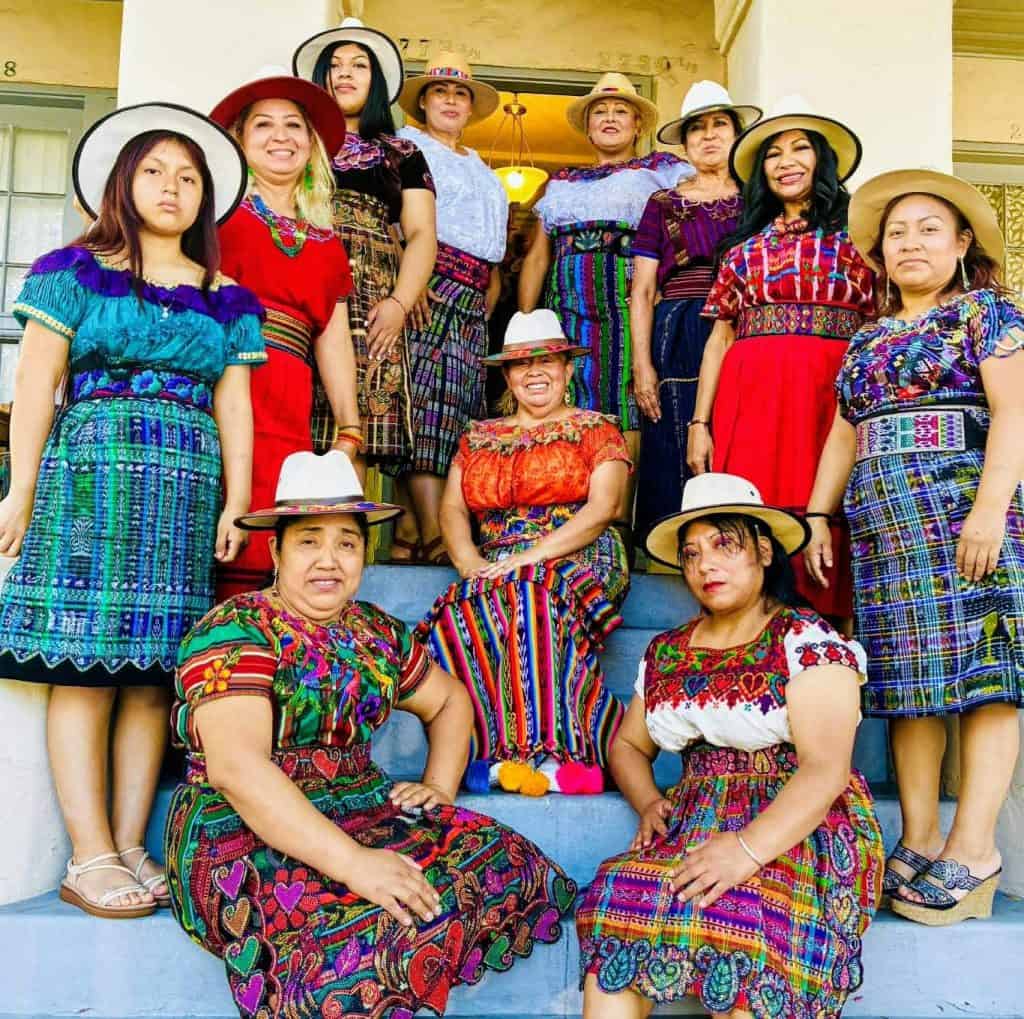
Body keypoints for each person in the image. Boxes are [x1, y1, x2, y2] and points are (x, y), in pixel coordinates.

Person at [165, 450, 576, 1018]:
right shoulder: (236, 630)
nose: (328, 560)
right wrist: (358, 865)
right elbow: (238, 770)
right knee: (371, 935)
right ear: (275, 550)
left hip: (363, 806)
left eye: (347, 543)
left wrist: (438, 785)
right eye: (309, 540)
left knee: (504, 859)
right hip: (242, 827)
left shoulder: (374, 631)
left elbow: (451, 701)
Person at [0, 104, 264, 918]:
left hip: (182, 495)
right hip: (90, 482)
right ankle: (88, 853)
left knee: (154, 676)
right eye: (155, 171)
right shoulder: (69, 272)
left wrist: (241, 496)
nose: (172, 187)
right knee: (83, 667)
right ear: (123, 181)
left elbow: (236, 405)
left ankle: (130, 841)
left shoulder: (226, 297)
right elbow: (36, 389)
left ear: (205, 198)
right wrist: (21, 487)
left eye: (189, 177)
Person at [577, 472, 883, 1019]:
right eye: (691, 554)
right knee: (614, 900)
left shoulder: (805, 641)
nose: (704, 565)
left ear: (764, 550)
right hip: (699, 817)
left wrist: (745, 851)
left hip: (797, 821)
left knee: (742, 918)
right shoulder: (667, 651)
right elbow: (627, 746)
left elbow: (825, 770)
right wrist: (648, 800)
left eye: (723, 544)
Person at [805, 169, 1024, 925]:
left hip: (965, 510)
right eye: (897, 232)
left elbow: (1014, 411)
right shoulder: (866, 337)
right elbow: (843, 431)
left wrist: (991, 507)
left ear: (962, 242)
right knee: (906, 681)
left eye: (929, 228)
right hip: (884, 527)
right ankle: (920, 834)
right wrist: (814, 516)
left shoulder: (987, 313)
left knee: (986, 671)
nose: (911, 242)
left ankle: (973, 848)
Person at [416, 310, 631, 796]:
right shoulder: (478, 437)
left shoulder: (596, 429)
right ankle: (488, 754)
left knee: (531, 599)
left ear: (568, 369)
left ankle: (562, 752)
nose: (535, 372)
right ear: (508, 376)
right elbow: (451, 509)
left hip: (581, 553)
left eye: (547, 361)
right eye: (521, 364)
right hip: (497, 563)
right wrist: (468, 562)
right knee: (456, 614)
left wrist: (530, 558)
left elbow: (604, 507)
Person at [688, 96, 875, 620]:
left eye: (800, 149)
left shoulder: (863, 239)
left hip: (829, 395)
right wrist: (700, 422)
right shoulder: (742, 248)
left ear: (822, 161)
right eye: (773, 153)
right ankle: (752, 636)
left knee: (826, 507)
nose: (786, 161)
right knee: (752, 514)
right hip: (750, 397)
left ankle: (828, 647)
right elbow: (719, 337)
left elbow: (879, 325)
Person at [209, 68, 360, 598]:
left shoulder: (325, 239)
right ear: (239, 142)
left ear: (311, 144)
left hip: (290, 397)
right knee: (217, 515)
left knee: (272, 528)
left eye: (294, 126)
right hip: (222, 382)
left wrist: (350, 430)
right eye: (264, 126)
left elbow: (333, 338)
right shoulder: (214, 216)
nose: (281, 137)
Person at [519, 73, 691, 524]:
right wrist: (526, 319)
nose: (610, 119)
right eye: (601, 112)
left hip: (628, 304)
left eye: (621, 112)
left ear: (637, 125)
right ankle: (571, 517)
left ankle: (618, 522)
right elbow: (538, 257)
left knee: (627, 401)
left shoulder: (664, 171)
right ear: (588, 126)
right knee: (570, 400)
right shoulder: (561, 183)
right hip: (568, 307)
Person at [294, 17, 436, 468]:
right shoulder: (296, 141)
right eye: (335, 65)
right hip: (300, 276)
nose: (345, 73)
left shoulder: (402, 154)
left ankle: (346, 533)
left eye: (359, 65)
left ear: (375, 82)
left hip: (369, 291)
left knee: (354, 430)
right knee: (289, 413)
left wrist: (399, 301)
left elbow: (420, 234)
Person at [631, 81, 759, 543]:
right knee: (674, 439)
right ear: (684, 144)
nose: (709, 136)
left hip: (745, 327)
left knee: (738, 430)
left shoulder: (758, 201)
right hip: (678, 325)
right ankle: (674, 552)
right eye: (697, 129)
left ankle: (738, 544)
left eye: (720, 124)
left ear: (737, 134)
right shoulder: (662, 203)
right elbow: (643, 290)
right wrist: (641, 365)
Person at [393, 54, 507, 564]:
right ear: (423, 100)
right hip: (430, 285)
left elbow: (493, 246)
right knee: (425, 409)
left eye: (459, 94)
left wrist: (489, 296)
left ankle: (411, 534)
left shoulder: (481, 167)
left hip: (472, 295)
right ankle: (434, 532)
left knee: (459, 413)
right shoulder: (404, 147)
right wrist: (410, 280)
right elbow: (394, 220)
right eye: (440, 92)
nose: (450, 101)